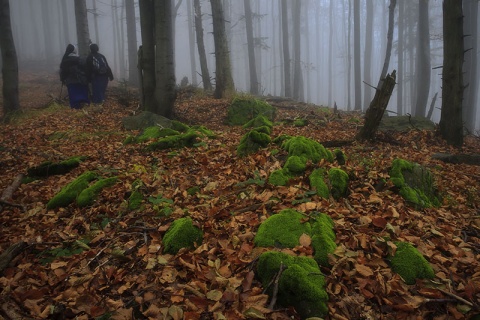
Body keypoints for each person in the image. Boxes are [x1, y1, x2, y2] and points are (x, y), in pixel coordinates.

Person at [59, 44, 89, 109]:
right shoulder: (80, 59)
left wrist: (62, 79)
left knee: (73, 97)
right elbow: (86, 69)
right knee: (83, 96)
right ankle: (84, 108)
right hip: (82, 81)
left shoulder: (65, 60)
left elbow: (62, 71)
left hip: (71, 81)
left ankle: (75, 109)